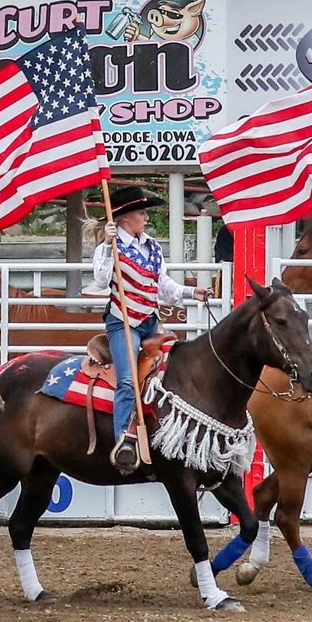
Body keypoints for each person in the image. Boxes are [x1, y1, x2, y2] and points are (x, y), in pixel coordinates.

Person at [83, 185, 212, 473]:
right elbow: (101, 281)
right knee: (127, 380)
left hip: (150, 320)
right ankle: (123, 444)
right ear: (126, 217)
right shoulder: (110, 248)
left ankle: (173, 433)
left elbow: (162, 287)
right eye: (142, 213)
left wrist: (193, 294)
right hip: (123, 321)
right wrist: (105, 245)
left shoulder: (152, 246)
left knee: (178, 370)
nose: (146, 218)